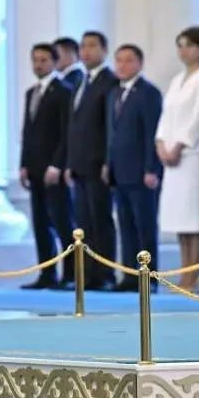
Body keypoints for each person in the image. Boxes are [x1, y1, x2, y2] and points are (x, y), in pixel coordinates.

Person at [155, 27, 199, 290]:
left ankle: (193, 273)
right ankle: (183, 270)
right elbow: (166, 116)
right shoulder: (177, 80)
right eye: (180, 45)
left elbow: (198, 116)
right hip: (170, 156)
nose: (183, 50)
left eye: (188, 45)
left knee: (193, 216)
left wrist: (179, 145)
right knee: (178, 216)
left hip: (191, 155)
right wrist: (161, 144)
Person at [104, 44, 163, 291]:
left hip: (141, 172)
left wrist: (151, 168)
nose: (122, 65)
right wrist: (108, 163)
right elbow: (111, 133)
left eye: (128, 60)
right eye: (118, 60)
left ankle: (148, 277)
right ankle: (129, 275)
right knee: (125, 226)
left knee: (144, 226)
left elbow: (152, 133)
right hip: (119, 171)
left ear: (139, 63)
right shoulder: (114, 93)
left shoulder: (149, 93)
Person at [65, 32, 118, 291]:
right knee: (83, 223)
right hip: (79, 164)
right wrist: (68, 163)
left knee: (101, 221)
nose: (86, 51)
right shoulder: (80, 82)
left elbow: (109, 127)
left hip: (98, 164)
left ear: (104, 50)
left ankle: (105, 274)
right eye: (83, 46)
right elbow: (73, 126)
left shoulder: (110, 81)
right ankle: (87, 274)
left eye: (92, 46)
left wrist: (108, 161)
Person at [18, 43, 73, 290]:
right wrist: (23, 164)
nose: (38, 64)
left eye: (43, 60)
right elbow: (28, 131)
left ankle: (70, 275)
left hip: (53, 169)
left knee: (62, 222)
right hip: (35, 168)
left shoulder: (64, 91)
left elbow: (66, 132)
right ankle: (46, 274)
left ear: (54, 62)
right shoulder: (31, 92)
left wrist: (57, 164)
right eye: (35, 60)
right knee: (40, 224)